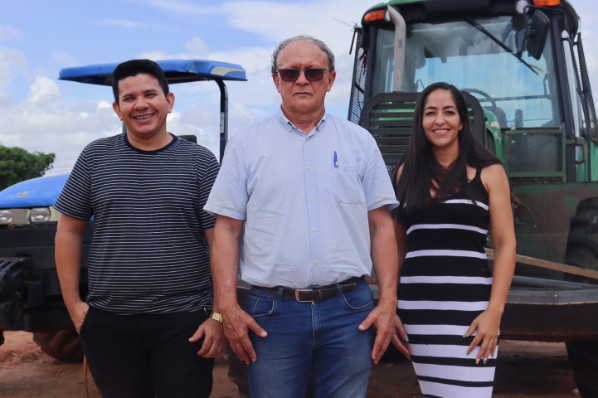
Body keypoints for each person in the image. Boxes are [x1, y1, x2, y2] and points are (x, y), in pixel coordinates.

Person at [204, 35, 404, 398]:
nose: (302, 80)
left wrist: (388, 301)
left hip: (349, 310)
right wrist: (227, 307)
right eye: (290, 72)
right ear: (276, 80)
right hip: (273, 314)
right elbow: (227, 230)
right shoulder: (246, 145)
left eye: (313, 72)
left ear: (330, 79)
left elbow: (381, 226)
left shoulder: (360, 143)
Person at [54, 59, 226, 398]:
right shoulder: (95, 158)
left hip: (185, 322)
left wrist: (218, 317)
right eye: (130, 98)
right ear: (118, 109)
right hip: (109, 323)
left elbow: (220, 241)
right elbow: (68, 231)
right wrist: (74, 305)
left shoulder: (200, 162)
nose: (141, 104)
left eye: (150, 94)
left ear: (169, 101)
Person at [391, 82, 516, 397]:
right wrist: (389, 304)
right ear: (421, 121)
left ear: (462, 121)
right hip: (417, 310)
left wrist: (494, 312)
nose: (439, 120)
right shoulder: (404, 172)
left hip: (471, 312)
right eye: (430, 113)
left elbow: (505, 245)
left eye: (449, 112)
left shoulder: (489, 171)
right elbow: (397, 247)